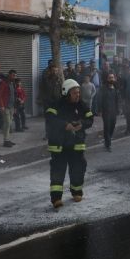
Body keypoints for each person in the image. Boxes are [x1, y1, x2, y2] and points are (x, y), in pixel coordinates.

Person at [45, 79, 94, 209]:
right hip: (59, 145)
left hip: (76, 144)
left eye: (78, 92)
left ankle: (77, 192)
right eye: (74, 93)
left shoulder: (81, 105)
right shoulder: (56, 105)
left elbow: (90, 118)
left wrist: (82, 124)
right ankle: (56, 198)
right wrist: (65, 125)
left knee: (78, 168)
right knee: (58, 171)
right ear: (66, 93)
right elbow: (50, 118)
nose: (78, 95)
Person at [99, 73, 121, 152]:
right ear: (107, 79)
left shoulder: (115, 88)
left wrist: (118, 109)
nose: (111, 79)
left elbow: (117, 100)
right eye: (110, 78)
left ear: (114, 78)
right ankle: (108, 144)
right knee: (107, 128)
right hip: (106, 112)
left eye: (112, 77)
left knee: (112, 126)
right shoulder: (103, 88)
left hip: (113, 111)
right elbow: (99, 100)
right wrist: (100, 110)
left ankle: (108, 139)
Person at [0, 69, 17, 147]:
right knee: (7, 123)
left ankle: (7, 139)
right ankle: (5, 141)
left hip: (11, 106)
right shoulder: (3, 83)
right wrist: (1, 106)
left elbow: (14, 95)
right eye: (13, 75)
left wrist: (15, 107)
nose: (14, 77)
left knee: (9, 123)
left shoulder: (13, 83)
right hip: (5, 106)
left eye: (15, 75)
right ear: (9, 75)